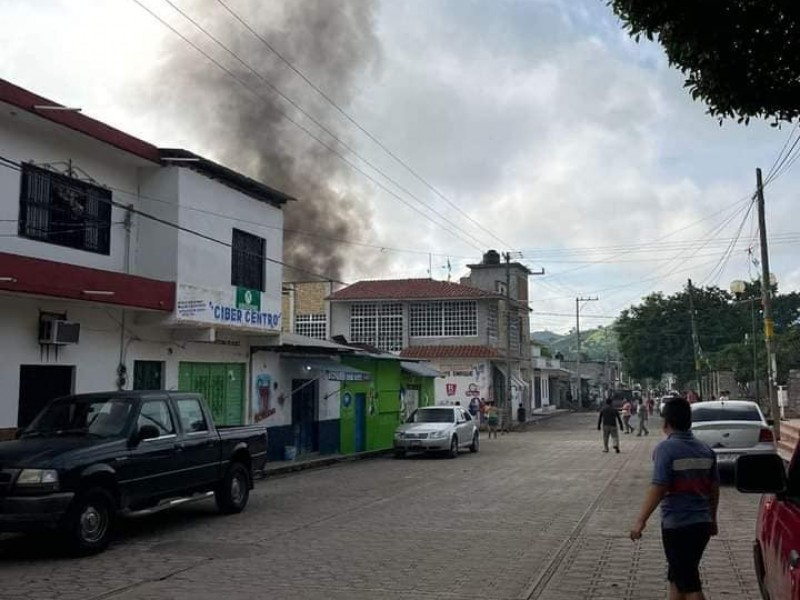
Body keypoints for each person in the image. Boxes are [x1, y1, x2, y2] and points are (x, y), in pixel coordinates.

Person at [629, 397, 719, 600]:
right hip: (701, 524)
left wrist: (640, 521)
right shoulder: (706, 450)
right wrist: (713, 519)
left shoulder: (665, 449)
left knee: (689, 582)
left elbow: (659, 487)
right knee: (677, 577)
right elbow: (714, 489)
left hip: (678, 525)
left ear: (665, 423)